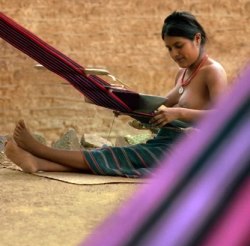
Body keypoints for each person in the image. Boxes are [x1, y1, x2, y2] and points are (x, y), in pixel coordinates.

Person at [4, 11, 227, 178]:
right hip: (168, 141)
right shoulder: (183, 74)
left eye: (179, 46)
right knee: (117, 156)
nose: (174, 54)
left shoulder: (212, 72)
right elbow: (157, 107)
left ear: (197, 39)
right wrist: (119, 103)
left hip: (195, 148)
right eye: (169, 48)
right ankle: (37, 162)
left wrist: (178, 112)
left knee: (122, 156)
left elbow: (226, 118)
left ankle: (41, 151)